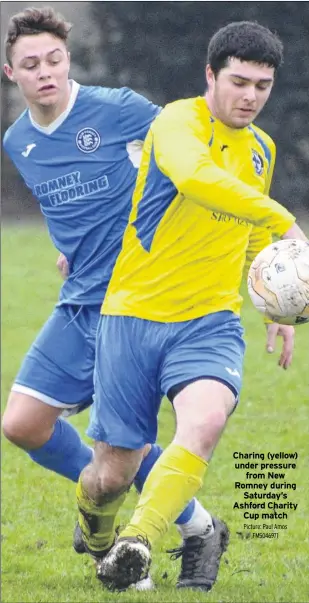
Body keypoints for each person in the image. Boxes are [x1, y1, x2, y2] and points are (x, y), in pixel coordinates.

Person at [75, 20, 308, 592]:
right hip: (132, 315)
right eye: (239, 81)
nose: (250, 96)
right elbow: (194, 177)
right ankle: (100, 533)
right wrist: (284, 216)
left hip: (209, 321)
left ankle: (140, 539)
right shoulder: (177, 123)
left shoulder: (261, 150)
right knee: (111, 474)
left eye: (262, 85)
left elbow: (253, 232)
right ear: (210, 75)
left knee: (202, 423)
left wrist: (277, 308)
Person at [2, 6, 224, 590]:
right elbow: (64, 206)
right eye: (31, 64)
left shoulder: (119, 109)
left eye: (54, 59)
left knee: (121, 445)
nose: (45, 71)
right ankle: (103, 498)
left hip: (135, 302)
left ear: (67, 59)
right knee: (23, 424)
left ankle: (187, 529)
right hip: (78, 300)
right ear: (12, 74)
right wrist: (67, 248)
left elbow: (188, 154)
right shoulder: (18, 140)